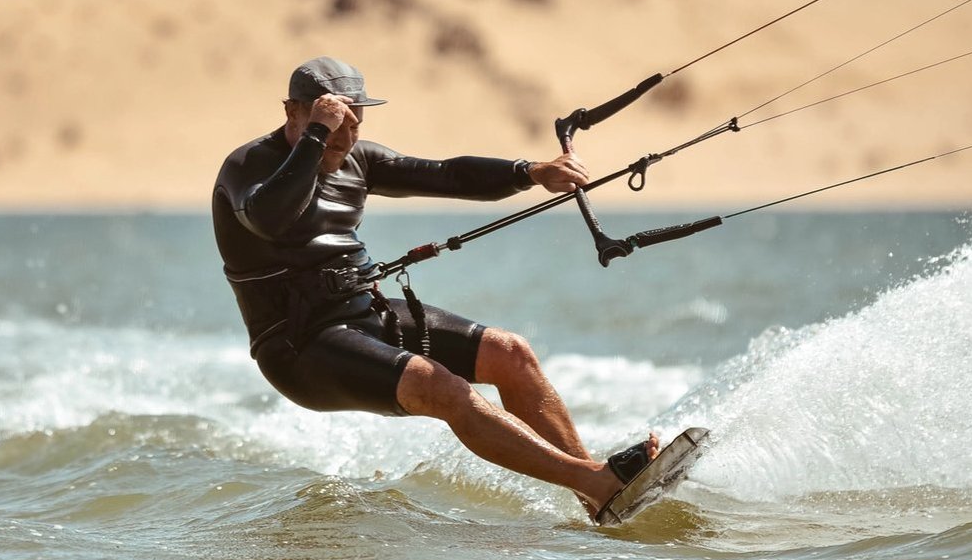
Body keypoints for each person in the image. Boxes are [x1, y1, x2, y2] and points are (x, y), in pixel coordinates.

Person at [212, 57, 660, 519]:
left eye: (353, 124)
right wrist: (314, 138)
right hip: (300, 345)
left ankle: (596, 497)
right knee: (438, 386)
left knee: (511, 353)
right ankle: (595, 481)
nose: (344, 138)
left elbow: (447, 173)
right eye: (331, 125)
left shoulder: (357, 158)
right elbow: (271, 218)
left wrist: (531, 171)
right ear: (292, 111)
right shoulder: (248, 166)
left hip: (365, 314)